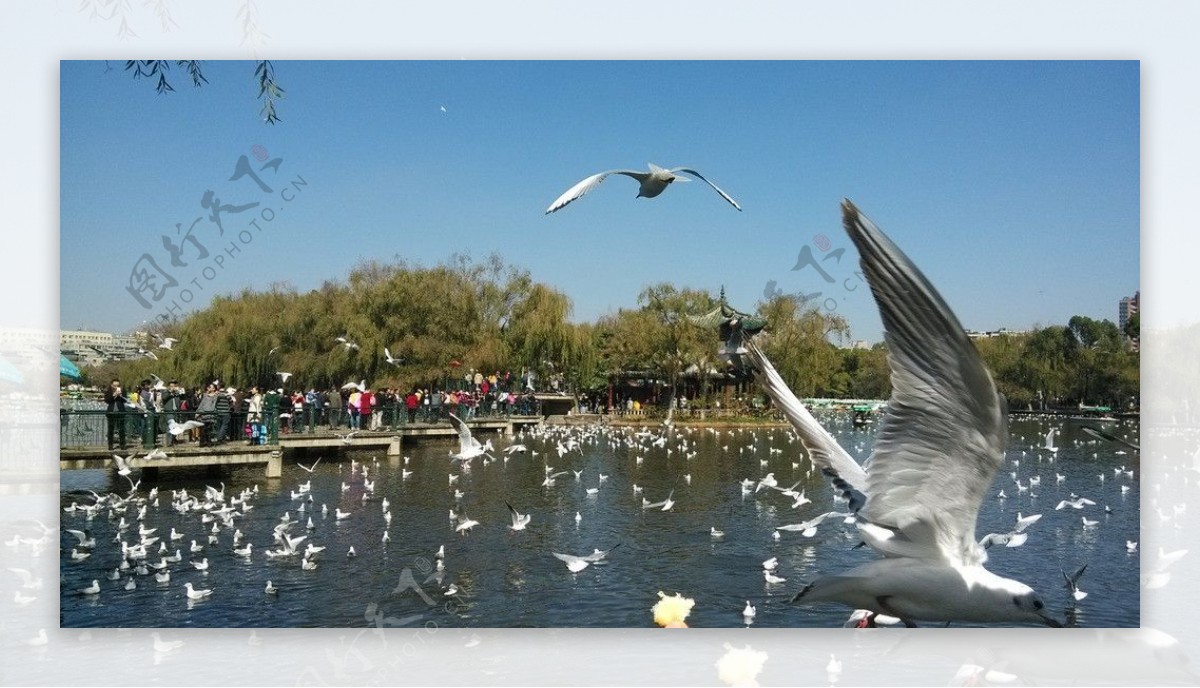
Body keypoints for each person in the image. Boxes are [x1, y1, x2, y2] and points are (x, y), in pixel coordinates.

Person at [104, 379, 128, 450]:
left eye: (118, 385)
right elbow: (107, 400)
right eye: (115, 385)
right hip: (111, 412)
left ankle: (122, 445)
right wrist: (114, 395)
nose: (116, 387)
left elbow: (125, 400)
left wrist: (120, 395)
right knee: (110, 430)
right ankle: (110, 445)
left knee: (122, 430)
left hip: (120, 412)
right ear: (111, 385)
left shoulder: (122, 390)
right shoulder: (108, 391)